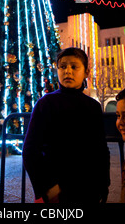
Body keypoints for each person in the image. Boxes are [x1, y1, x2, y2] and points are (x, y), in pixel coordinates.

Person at [22, 47, 110, 203]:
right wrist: (46, 188)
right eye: (63, 67)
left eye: (74, 67)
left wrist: (103, 185)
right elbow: (30, 150)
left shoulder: (93, 106)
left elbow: (100, 150)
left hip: (87, 189)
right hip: (56, 190)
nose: (68, 71)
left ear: (86, 72)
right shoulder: (45, 103)